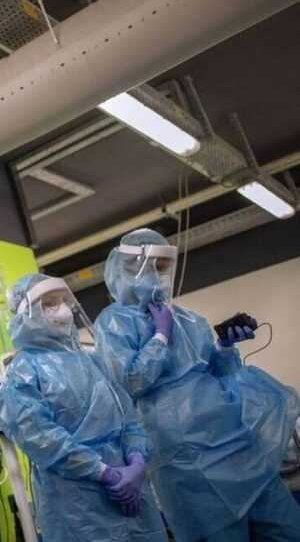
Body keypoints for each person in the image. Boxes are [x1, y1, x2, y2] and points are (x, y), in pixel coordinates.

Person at [94, 228, 300, 542]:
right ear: (129, 268)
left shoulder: (186, 318)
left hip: (235, 444)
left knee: (289, 529)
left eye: (164, 266)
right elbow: (131, 381)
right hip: (185, 461)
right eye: (153, 266)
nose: (160, 275)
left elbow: (216, 372)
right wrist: (159, 337)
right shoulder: (113, 323)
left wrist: (225, 348)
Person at [0, 274, 167, 542]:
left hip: (132, 490)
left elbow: (128, 419)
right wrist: (104, 473)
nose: (63, 310)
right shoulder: (24, 373)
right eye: (50, 304)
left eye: (64, 301)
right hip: (78, 504)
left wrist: (136, 462)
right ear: (25, 315)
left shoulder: (93, 362)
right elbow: (44, 440)